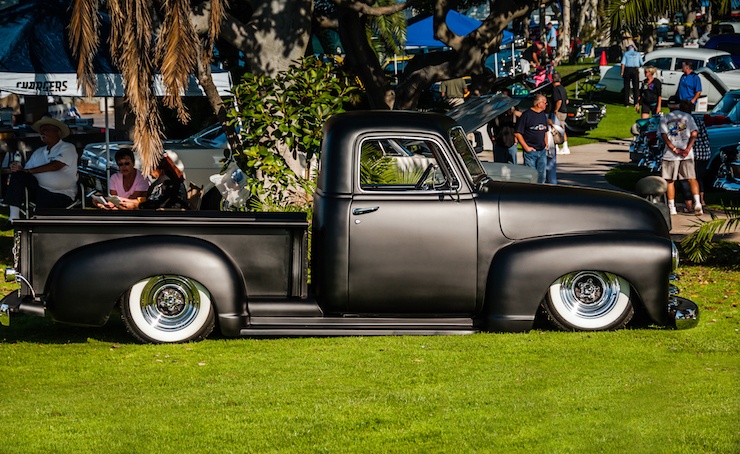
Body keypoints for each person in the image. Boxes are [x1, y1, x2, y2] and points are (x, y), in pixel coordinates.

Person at [1, 117, 78, 230]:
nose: (41, 133)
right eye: (41, 130)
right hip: (38, 191)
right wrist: (20, 168)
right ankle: (13, 218)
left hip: (61, 194)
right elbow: (26, 171)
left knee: (22, 175)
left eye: (45, 130)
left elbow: (55, 166)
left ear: (56, 132)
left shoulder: (67, 148)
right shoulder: (39, 151)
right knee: (17, 174)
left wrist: (27, 171)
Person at [659, 100, 702, 215]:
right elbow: (694, 133)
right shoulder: (687, 117)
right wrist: (688, 148)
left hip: (671, 155)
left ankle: (671, 206)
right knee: (692, 178)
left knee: (670, 180)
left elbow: (664, 135)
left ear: (669, 106)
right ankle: (697, 202)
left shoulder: (665, 118)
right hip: (687, 153)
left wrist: (674, 149)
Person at [103, 155, 188, 210]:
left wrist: (134, 206)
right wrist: (125, 200)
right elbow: (150, 200)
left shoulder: (167, 183)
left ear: (157, 169)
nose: (149, 173)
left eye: (150, 170)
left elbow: (156, 203)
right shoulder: (166, 179)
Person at [679, 112, 710, 212]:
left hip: (691, 153)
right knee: (698, 178)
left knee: (688, 178)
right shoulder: (699, 121)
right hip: (704, 153)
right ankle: (701, 200)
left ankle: (689, 203)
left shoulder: (684, 121)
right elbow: (706, 137)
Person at [514, 94, 550, 183]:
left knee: (542, 176)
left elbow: (545, 130)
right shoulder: (526, 115)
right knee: (531, 176)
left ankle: (541, 193)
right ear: (539, 104)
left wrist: (546, 143)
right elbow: (518, 133)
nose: (546, 104)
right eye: (545, 103)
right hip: (530, 151)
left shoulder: (543, 115)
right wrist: (526, 148)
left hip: (542, 150)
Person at [487, 88, 521, 164]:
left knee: (513, 165)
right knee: (499, 165)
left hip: (512, 143)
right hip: (499, 142)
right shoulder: (496, 110)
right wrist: (492, 138)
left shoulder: (514, 108)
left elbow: (521, 122)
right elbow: (489, 126)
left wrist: (516, 139)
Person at [550, 72, 570, 155]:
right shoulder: (562, 88)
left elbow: (559, 101)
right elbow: (567, 101)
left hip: (559, 111)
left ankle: (565, 147)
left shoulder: (555, 89)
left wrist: (556, 110)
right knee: (559, 129)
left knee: (559, 129)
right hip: (564, 111)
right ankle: (557, 147)